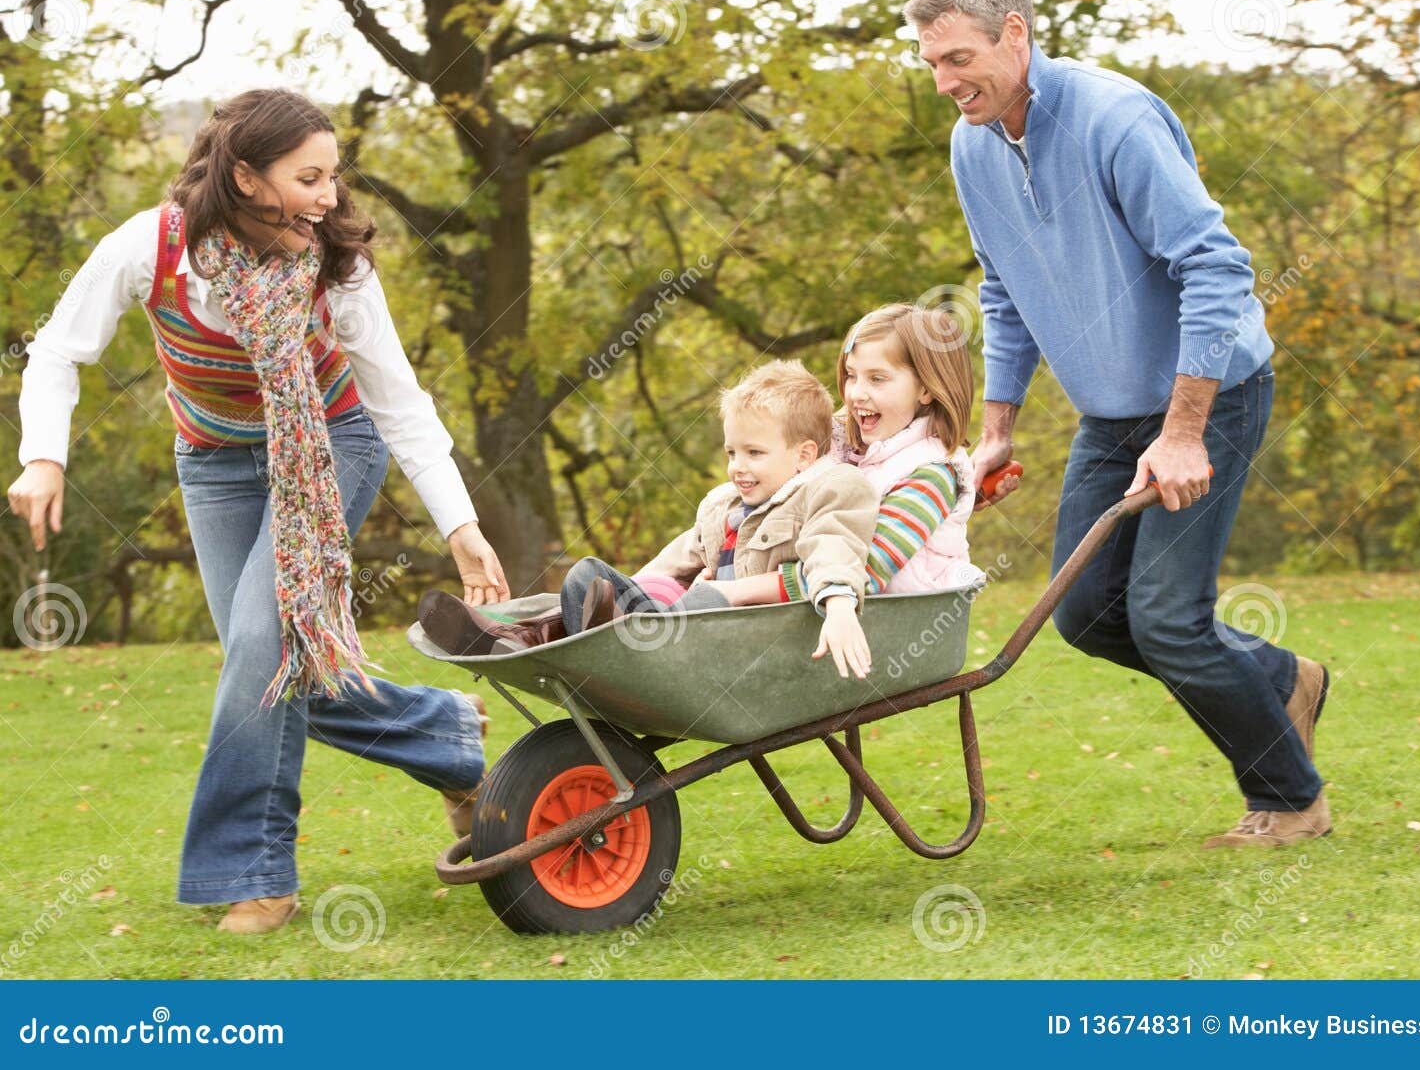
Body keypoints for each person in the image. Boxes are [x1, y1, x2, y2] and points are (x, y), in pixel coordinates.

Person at [6, 90, 511, 933]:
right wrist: (42, 455)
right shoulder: (152, 244)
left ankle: (256, 872)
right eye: (308, 177)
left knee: (256, 650)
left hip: (330, 446)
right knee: (270, 661)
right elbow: (59, 348)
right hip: (212, 462)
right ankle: (445, 736)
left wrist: (460, 527)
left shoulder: (335, 262)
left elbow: (400, 404)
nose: (328, 196)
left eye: (333, 175)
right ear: (245, 176)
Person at [904, 0, 1332, 847]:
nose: (943, 81)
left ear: (1014, 35)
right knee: (1085, 613)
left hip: (1208, 395)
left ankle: (1290, 799)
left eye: (957, 59)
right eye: (931, 61)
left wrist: (1183, 431)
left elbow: (1217, 268)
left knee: (1168, 621)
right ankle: (1281, 677)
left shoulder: (1113, 119)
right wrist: (995, 429)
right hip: (1111, 414)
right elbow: (1002, 284)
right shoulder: (972, 145)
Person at [419, 360, 881, 678]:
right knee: (589, 576)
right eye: (732, 452)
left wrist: (838, 607)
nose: (738, 465)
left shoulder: (832, 488)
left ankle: (575, 635)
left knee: (701, 601)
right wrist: (629, 588)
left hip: (746, 645)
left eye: (755, 453)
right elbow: (673, 559)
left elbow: (832, 555)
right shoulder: (724, 504)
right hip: (683, 630)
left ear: (803, 455)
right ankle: (521, 635)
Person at [717, 303, 986, 610]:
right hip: (822, 612)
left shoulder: (931, 474)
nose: (856, 393)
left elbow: (860, 568)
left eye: (877, 379)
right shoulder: (842, 443)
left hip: (896, 622)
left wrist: (737, 590)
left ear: (925, 389)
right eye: (850, 375)